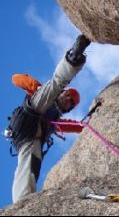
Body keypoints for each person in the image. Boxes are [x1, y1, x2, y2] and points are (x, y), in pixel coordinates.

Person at [8, 34, 91, 203]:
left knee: (30, 160)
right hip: (31, 113)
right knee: (55, 84)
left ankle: (22, 202)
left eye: (71, 103)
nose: (67, 100)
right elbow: (15, 79)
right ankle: (74, 58)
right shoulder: (40, 91)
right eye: (68, 95)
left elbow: (77, 127)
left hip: (30, 135)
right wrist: (35, 86)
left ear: (68, 109)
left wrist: (92, 122)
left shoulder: (57, 121)